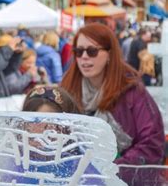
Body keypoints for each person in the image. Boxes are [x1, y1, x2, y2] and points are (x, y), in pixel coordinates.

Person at [61, 23, 164, 170]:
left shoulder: (132, 91)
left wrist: (112, 171)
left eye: (92, 51)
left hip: (123, 185)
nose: (84, 57)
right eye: (78, 51)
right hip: (75, 183)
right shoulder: (67, 90)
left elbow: (152, 143)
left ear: (109, 54)